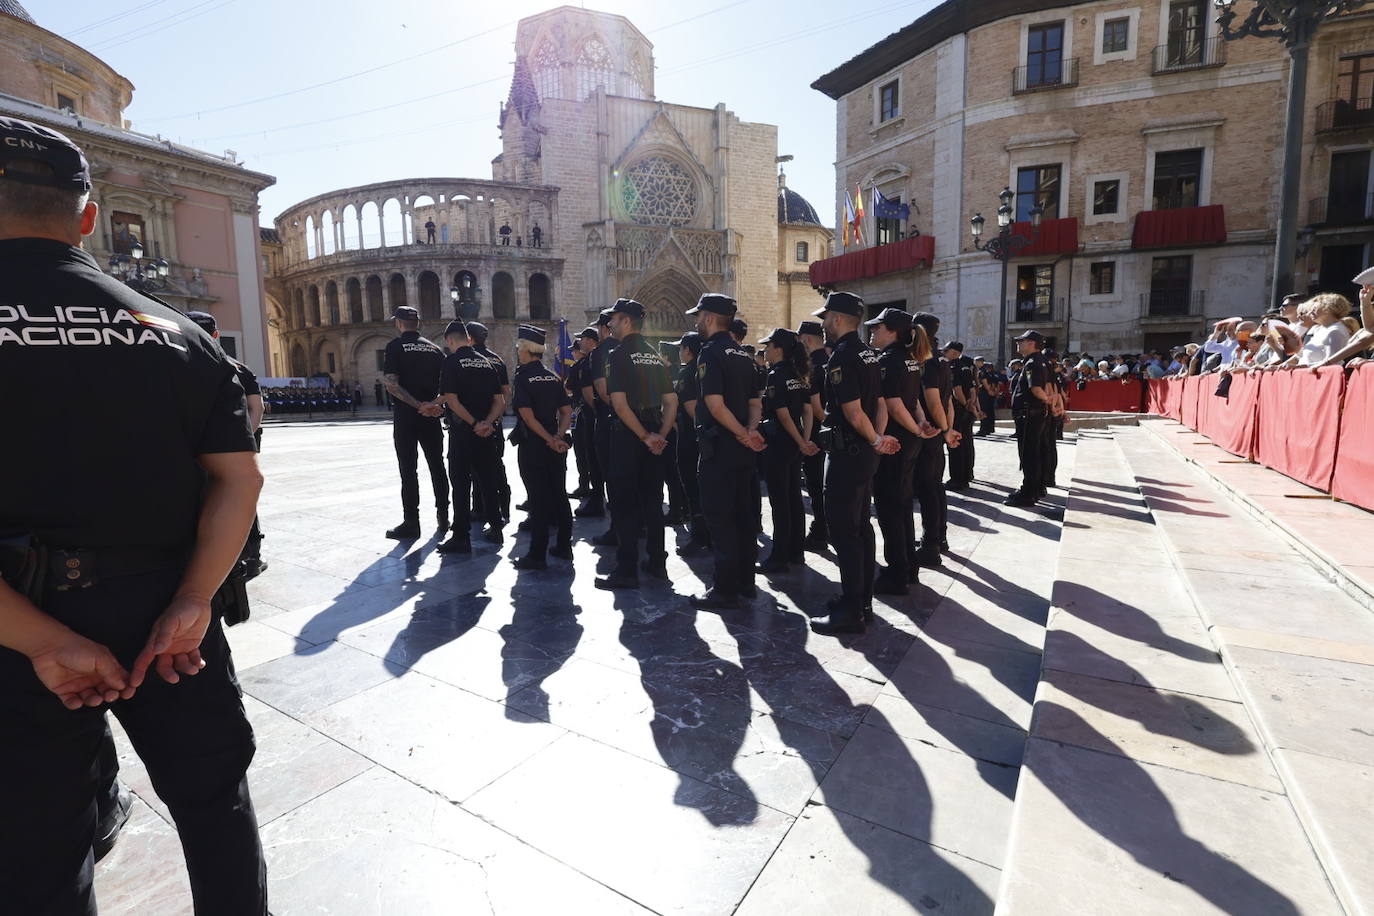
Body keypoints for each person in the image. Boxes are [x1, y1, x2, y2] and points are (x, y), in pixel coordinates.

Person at [0, 115, 267, 913]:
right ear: (87, 216)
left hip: (14, 629)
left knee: (38, 843)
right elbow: (238, 483)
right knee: (215, 805)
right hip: (165, 618)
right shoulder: (181, 334)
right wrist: (191, 603)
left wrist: (45, 640)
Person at [810, 291, 900, 634]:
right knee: (861, 527)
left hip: (847, 455)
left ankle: (852, 610)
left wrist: (874, 439)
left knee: (845, 532)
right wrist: (875, 441)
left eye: (825, 319)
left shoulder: (844, 356)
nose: (823, 325)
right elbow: (878, 404)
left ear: (837, 319)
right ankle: (861, 600)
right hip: (862, 453)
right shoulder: (869, 354)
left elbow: (852, 409)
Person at [685, 294, 765, 608]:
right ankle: (746, 582)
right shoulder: (744, 356)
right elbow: (755, 403)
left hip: (720, 449)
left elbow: (715, 406)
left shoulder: (710, 353)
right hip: (744, 451)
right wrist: (750, 431)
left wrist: (741, 434)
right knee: (744, 517)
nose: (696, 322)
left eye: (699, 316)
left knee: (720, 519)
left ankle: (725, 589)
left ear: (708, 317)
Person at [597, 299, 678, 590]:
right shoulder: (654, 355)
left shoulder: (617, 355)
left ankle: (626, 569)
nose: (610, 325)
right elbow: (671, 401)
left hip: (629, 437)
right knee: (653, 502)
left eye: (614, 320)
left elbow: (618, 404)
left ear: (627, 321)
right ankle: (657, 563)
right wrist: (660, 436)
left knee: (624, 503)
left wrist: (644, 436)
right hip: (654, 435)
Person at [186, 310, 268, 577]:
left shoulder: (183, 363)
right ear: (217, 335)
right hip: (237, 445)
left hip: (194, 446)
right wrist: (245, 439)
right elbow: (257, 407)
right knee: (240, 496)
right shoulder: (238, 367)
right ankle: (251, 558)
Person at [867, 308, 937, 595]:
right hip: (909, 439)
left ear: (891, 331)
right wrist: (919, 424)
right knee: (903, 504)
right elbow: (914, 401)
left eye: (877, 328)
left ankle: (897, 573)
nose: (872, 332)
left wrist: (915, 428)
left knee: (890, 508)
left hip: (896, 441)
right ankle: (908, 568)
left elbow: (895, 404)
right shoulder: (910, 359)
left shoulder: (888, 360)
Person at [436, 321, 506, 553]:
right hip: (486, 433)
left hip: (463, 433)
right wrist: (487, 423)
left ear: (449, 340)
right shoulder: (487, 363)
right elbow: (500, 401)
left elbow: (452, 400)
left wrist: (474, 423)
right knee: (487, 480)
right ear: (468, 338)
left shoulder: (451, 362)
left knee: (460, 483)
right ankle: (496, 528)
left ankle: (461, 536)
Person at [382, 305, 449, 539]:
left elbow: (392, 384)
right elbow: (447, 387)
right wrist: (432, 405)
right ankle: (444, 517)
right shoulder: (436, 349)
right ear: (418, 323)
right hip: (431, 416)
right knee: (437, 467)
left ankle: (412, 522)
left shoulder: (395, 347)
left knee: (408, 470)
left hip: (407, 417)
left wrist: (417, 405)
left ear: (399, 323)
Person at [510, 325, 574, 569]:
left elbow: (527, 417)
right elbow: (566, 412)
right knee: (559, 494)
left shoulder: (523, 376)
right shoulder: (552, 377)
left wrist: (548, 439)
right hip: (555, 446)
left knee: (537, 499)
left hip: (535, 445)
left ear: (526, 349)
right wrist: (558, 436)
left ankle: (537, 554)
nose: (517, 351)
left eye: (518, 347)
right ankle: (564, 547)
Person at [757, 328, 817, 573]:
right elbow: (808, 411)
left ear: (778, 349)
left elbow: (781, 414)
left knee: (780, 501)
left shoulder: (776, 375)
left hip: (780, 443)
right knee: (793, 499)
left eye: (768, 346)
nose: (765, 350)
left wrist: (800, 441)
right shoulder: (798, 373)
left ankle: (780, 556)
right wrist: (803, 440)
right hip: (793, 445)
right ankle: (796, 552)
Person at [911, 313, 959, 567]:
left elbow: (932, 400)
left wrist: (942, 429)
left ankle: (930, 545)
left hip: (927, 431)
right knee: (935, 486)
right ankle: (939, 537)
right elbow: (947, 401)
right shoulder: (942, 359)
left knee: (927, 488)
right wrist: (947, 429)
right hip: (936, 431)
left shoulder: (928, 360)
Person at [671, 330, 711, 556]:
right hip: (704, 437)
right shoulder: (706, 367)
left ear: (688, 350)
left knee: (693, 488)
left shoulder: (688, 373)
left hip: (691, 438)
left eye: (681, 347)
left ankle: (700, 535)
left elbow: (692, 408)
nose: (679, 351)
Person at [467, 322, 512, 522]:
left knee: (475, 468)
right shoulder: (497, 360)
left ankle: (479, 508)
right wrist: (494, 420)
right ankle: (502, 507)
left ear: (470, 338)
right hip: (494, 422)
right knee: (495, 465)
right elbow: (506, 394)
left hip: (473, 423)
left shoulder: (466, 359)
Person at [1006, 330, 1055, 506]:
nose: (1018, 343)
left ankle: (1028, 493)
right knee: (1038, 452)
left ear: (1032, 343)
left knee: (1029, 455)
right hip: (1035, 413)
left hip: (1029, 415)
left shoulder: (1033, 363)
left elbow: (1036, 389)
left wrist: (1047, 400)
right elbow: (1047, 386)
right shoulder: (1040, 361)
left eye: (1022, 341)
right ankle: (1038, 487)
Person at [797, 320, 831, 551]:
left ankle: (820, 532)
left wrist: (806, 439)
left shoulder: (812, 367)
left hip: (819, 435)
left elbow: (815, 409)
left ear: (807, 340)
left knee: (816, 487)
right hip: (834, 435)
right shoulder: (832, 360)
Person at [587, 308, 620, 544]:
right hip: (632, 420)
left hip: (610, 421)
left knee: (612, 475)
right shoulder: (633, 348)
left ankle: (617, 529)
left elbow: (601, 389)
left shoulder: (600, 353)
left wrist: (621, 411)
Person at [570, 326, 606, 517]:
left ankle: (597, 499)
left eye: (582, 339)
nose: (579, 343)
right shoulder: (600, 357)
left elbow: (589, 394)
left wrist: (595, 411)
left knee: (591, 456)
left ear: (591, 341)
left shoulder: (588, 363)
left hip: (589, 416)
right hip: (597, 414)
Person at [944, 342, 978, 490]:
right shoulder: (965, 366)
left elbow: (957, 390)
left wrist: (964, 404)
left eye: (947, 350)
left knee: (956, 445)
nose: (945, 352)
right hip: (967, 410)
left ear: (954, 351)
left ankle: (957, 479)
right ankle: (967, 474)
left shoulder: (953, 367)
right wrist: (971, 405)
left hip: (958, 410)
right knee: (967, 443)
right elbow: (972, 389)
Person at [565, 336, 594, 500]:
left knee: (581, 451)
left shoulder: (577, 367)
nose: (573, 354)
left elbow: (568, 388)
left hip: (578, 410)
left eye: (574, 351)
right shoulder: (593, 362)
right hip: (592, 411)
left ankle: (584, 485)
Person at [975, 356, 998, 436]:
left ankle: (983, 429)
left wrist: (988, 390)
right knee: (989, 410)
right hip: (988, 393)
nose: (975, 363)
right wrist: (992, 391)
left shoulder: (981, 371)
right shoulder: (988, 372)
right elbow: (992, 383)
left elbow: (984, 382)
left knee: (983, 410)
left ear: (980, 362)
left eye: (976, 361)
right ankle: (989, 428)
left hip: (984, 393)